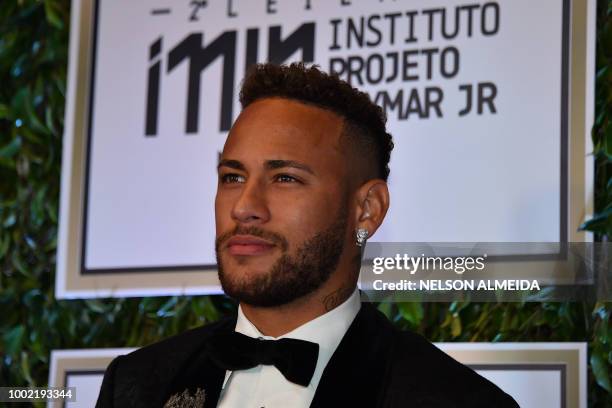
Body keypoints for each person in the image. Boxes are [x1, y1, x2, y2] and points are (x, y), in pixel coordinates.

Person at [96, 63, 518, 408]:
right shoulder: (135, 386)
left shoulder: (456, 401)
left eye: (284, 178)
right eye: (232, 176)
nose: (244, 206)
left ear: (367, 210)